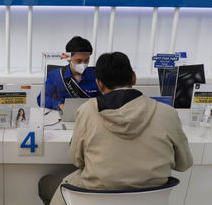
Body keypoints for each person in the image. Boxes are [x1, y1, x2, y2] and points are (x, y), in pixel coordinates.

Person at [38, 52, 193, 205]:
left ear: (98, 83)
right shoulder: (168, 113)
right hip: (150, 198)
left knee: (46, 183)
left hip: (97, 197)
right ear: (133, 77)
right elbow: (184, 163)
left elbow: (76, 160)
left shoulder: (87, 111)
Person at [40, 36, 100, 111]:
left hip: (90, 115)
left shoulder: (96, 74)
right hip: (64, 115)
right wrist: (59, 105)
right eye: (79, 61)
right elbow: (41, 99)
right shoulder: (55, 75)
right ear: (68, 58)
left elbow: (105, 97)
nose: (83, 64)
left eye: (86, 60)